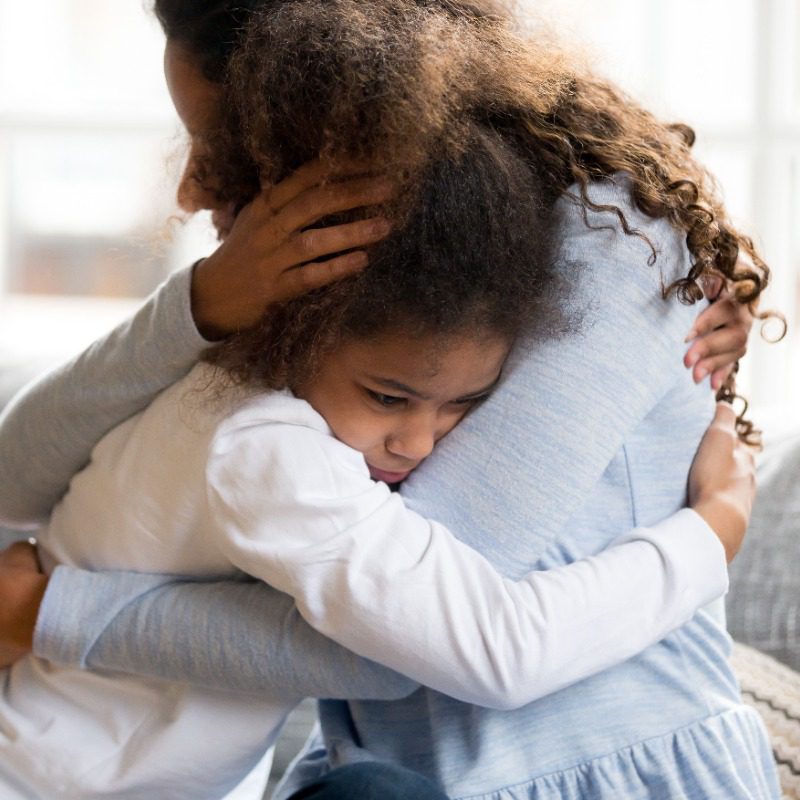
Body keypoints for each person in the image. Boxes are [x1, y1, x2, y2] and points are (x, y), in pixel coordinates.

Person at [0, 1, 775, 798]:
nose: (193, 190)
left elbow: (411, 638)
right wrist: (197, 304)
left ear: (317, 90)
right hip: (383, 769)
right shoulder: (342, 266)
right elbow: (15, 476)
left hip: (593, 773)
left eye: (216, 138)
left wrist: (52, 613)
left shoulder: (616, 240)